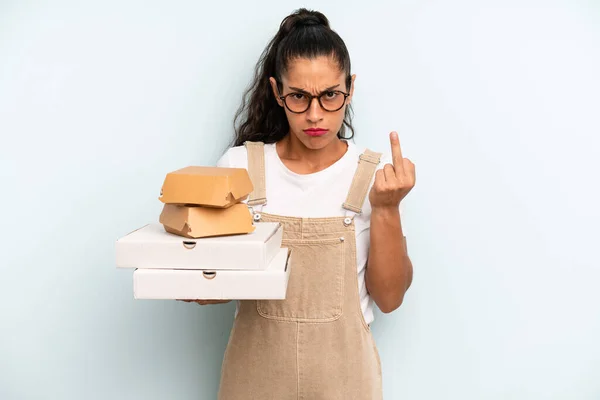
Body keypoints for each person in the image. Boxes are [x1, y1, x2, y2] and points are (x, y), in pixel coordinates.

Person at [200, 8, 414, 399]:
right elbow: (211, 288)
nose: (315, 115)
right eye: (298, 96)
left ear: (350, 89)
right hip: (254, 382)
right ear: (277, 91)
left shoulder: (376, 175)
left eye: (330, 95)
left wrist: (387, 209)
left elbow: (390, 298)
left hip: (346, 382)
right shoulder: (238, 169)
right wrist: (192, 274)